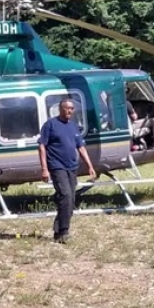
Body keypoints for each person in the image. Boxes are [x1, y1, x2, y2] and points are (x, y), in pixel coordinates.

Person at [38, 99, 96, 243]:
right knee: (66, 195)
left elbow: (80, 147)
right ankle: (64, 231)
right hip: (57, 166)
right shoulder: (50, 125)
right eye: (67, 108)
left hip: (72, 166)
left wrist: (89, 165)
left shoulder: (73, 126)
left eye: (72, 109)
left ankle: (58, 231)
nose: (70, 111)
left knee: (70, 199)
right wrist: (44, 169)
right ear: (60, 109)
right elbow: (41, 146)